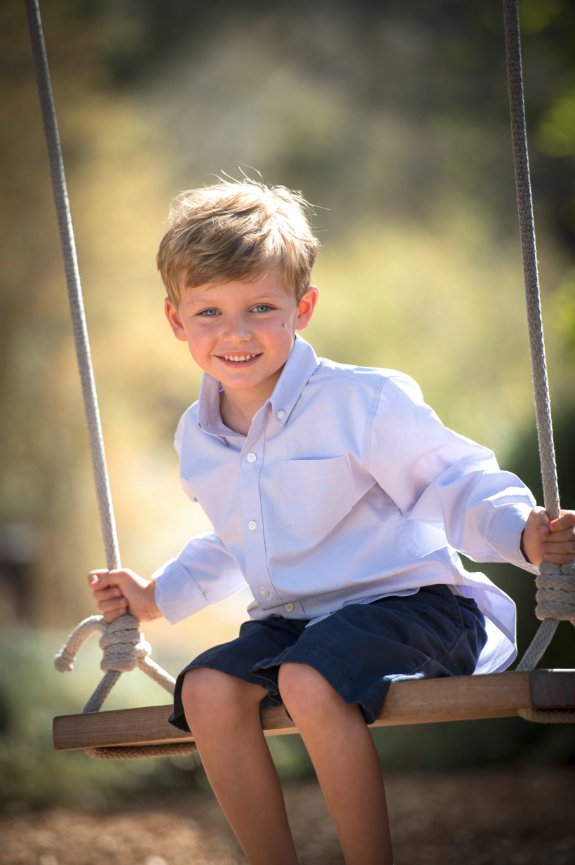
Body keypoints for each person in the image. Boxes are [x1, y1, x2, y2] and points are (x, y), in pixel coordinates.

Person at [89, 178, 575, 865]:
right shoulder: (197, 434)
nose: (236, 332)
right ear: (175, 320)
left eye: (261, 306)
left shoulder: (360, 401)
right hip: (297, 625)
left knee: (307, 677)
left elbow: (450, 480)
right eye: (209, 312)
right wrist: (154, 598)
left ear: (302, 307)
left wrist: (520, 529)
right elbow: (232, 537)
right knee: (204, 687)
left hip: (416, 609)